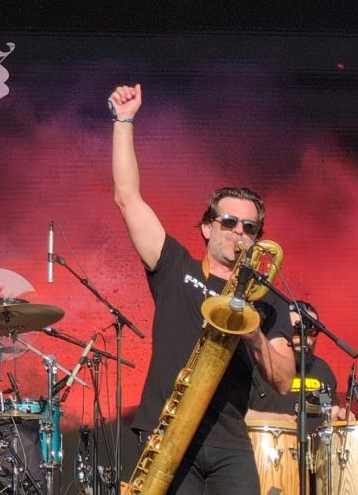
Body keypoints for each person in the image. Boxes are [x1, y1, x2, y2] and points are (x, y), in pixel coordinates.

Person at [109, 84, 296, 493]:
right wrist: (124, 120)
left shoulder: (266, 298)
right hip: (168, 436)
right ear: (208, 228)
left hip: (229, 442)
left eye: (250, 227)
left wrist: (254, 333)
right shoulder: (175, 267)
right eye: (228, 222)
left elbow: (283, 381)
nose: (239, 232)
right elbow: (127, 198)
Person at [247, 300, 355, 429]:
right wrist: (275, 420)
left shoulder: (322, 369)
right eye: (296, 330)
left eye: (312, 332)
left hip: (313, 442)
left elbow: (327, 409)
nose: (304, 338)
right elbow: (234, 416)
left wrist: (340, 416)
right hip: (265, 440)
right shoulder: (255, 365)